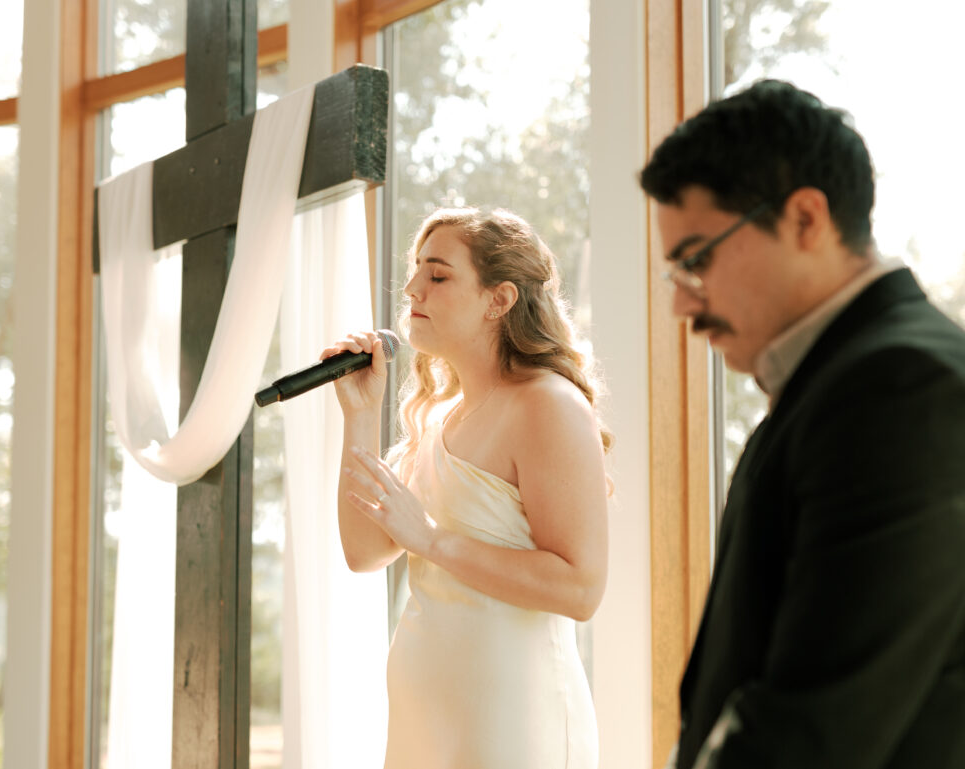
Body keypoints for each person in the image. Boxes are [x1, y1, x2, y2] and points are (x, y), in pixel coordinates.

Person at [640, 79, 965, 769]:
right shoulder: (832, 378)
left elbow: (815, 728)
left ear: (806, 219)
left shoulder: (904, 387)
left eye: (696, 260)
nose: (683, 306)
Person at [321, 207, 610, 769]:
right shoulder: (439, 418)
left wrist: (431, 541)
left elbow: (580, 588)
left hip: (512, 725)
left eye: (437, 275)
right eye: (414, 272)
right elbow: (364, 552)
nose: (411, 289)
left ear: (498, 299)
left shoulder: (546, 405)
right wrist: (362, 414)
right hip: (426, 723)